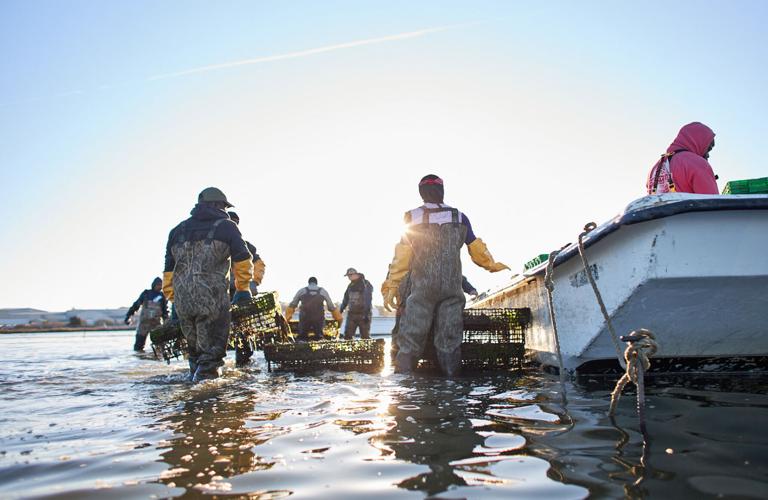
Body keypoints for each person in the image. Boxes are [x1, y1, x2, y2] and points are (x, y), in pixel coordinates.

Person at [381, 174, 509, 376]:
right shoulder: (459, 217)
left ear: (421, 193)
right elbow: (476, 249)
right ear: (442, 191)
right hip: (452, 291)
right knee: (449, 342)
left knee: (411, 339)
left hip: (422, 290)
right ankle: (451, 383)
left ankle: (402, 387)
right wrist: (492, 265)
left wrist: (392, 285)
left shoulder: (411, 217)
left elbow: (401, 257)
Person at [162, 187, 254, 382]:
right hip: (212, 299)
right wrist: (243, 288)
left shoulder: (177, 231)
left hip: (184, 302)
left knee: (195, 355)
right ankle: (206, 401)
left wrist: (174, 300)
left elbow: (168, 273)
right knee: (210, 358)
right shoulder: (227, 226)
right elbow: (243, 258)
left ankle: (190, 402)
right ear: (219, 205)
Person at [226, 211, 266, 367]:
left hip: (241, 291)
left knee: (243, 327)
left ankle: (244, 360)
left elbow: (259, 264)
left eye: (235, 222)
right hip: (221, 292)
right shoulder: (214, 243)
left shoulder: (246, 245)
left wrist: (254, 282)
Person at [647, 122, 719, 195]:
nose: (708, 155)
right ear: (697, 142)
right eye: (707, 149)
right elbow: (715, 203)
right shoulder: (696, 162)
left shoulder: (654, 170)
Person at [285, 277, 343, 342]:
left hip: (304, 318)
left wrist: (287, 319)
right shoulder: (322, 291)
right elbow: (331, 307)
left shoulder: (302, 291)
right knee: (319, 338)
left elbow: (292, 305)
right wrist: (339, 319)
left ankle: (301, 344)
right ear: (316, 283)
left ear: (308, 283)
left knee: (302, 338)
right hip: (318, 318)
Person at [124, 277, 168, 351]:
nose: (159, 287)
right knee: (138, 345)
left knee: (160, 345)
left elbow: (164, 311)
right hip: (144, 323)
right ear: (154, 285)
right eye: (158, 285)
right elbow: (136, 305)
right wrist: (128, 316)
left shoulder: (162, 296)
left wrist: (166, 321)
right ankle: (139, 357)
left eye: (161, 285)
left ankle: (158, 359)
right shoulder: (146, 293)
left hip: (156, 323)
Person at [339, 267, 373, 340]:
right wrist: (341, 310)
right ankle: (348, 351)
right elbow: (346, 299)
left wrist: (366, 314)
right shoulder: (350, 286)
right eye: (348, 276)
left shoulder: (366, 283)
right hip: (352, 314)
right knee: (347, 336)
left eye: (350, 275)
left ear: (355, 274)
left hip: (363, 314)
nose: (349, 277)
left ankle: (366, 351)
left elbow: (368, 299)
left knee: (365, 337)